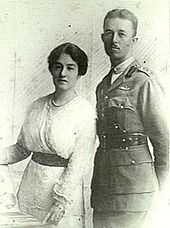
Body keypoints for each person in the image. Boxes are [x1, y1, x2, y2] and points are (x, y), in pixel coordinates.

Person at [0, 42, 96, 228]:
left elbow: (80, 162)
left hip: (59, 192)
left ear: (79, 72)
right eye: (58, 67)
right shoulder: (37, 106)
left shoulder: (84, 111)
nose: (63, 73)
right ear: (51, 69)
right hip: (30, 186)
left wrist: (61, 201)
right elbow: (21, 149)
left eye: (70, 68)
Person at [91, 8, 169, 228]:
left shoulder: (143, 82)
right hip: (105, 188)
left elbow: (164, 143)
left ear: (134, 40)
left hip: (135, 191)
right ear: (102, 38)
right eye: (109, 33)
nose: (114, 40)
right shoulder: (102, 86)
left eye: (121, 34)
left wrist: (163, 194)